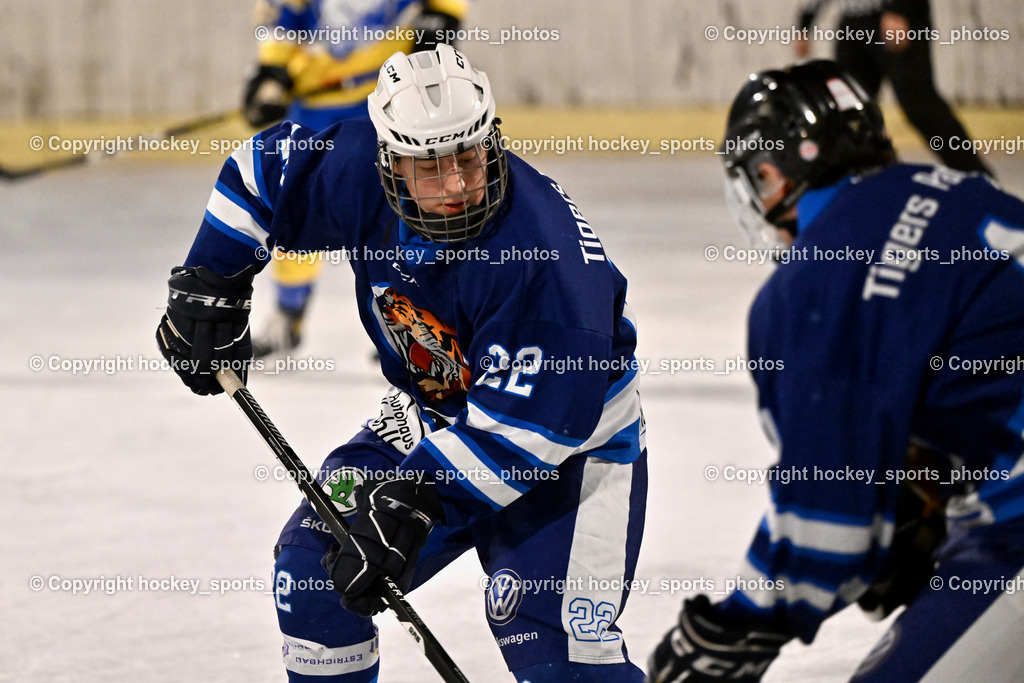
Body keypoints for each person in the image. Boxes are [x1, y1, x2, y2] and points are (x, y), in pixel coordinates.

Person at [157, 44, 648, 682]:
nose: (455, 188)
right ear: (389, 162)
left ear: (491, 143)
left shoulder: (545, 263)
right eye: (429, 168)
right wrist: (212, 282)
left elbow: (535, 430)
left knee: (559, 661)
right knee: (314, 571)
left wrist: (414, 502)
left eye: (468, 161)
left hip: (569, 446)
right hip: (434, 412)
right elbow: (261, 171)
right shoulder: (354, 162)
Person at [647, 60, 1024, 682]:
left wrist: (737, 628)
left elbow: (829, 519)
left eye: (758, 176)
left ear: (775, 173)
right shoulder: (959, 191)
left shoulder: (814, 282)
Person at [242, 0, 467, 359]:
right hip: (316, 103)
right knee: (297, 207)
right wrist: (272, 74)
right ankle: (289, 314)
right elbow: (282, 21)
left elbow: (443, 9)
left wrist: (440, 21)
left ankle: (415, 322)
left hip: (390, 96)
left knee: (406, 210)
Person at [794, 0, 992, 176]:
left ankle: (977, 178)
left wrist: (899, 9)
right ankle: (861, 187)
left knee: (920, 106)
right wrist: (805, 22)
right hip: (853, 21)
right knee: (849, 113)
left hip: (895, 14)